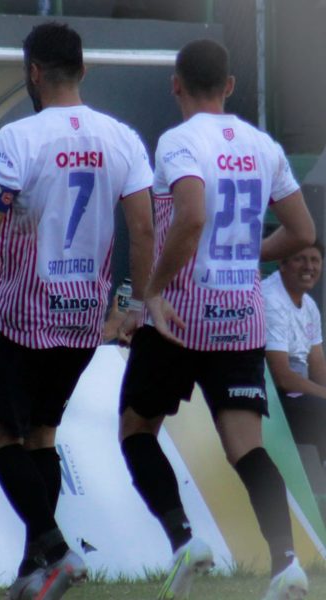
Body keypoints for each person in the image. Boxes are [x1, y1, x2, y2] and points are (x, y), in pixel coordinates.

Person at [0, 21, 154, 600]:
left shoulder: (19, 137)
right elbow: (142, 230)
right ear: (84, 70)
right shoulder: (121, 137)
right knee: (41, 436)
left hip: (20, 317)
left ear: (33, 73)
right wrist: (134, 309)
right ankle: (31, 571)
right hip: (81, 319)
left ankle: (56, 548)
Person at [118, 39, 316, 600]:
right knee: (246, 447)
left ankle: (184, 540)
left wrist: (152, 291)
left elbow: (192, 216)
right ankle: (285, 565)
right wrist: (248, 254)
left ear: (175, 84)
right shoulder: (263, 145)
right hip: (241, 315)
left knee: (136, 429)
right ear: (230, 86)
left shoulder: (178, 141)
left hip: (180, 314)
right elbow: (302, 233)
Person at [263, 241, 326, 465]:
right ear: (282, 263)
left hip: (298, 393)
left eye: (315, 260)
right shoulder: (271, 299)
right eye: (300, 259)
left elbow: (318, 365)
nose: (309, 266)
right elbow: (283, 378)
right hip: (269, 397)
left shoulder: (309, 305)